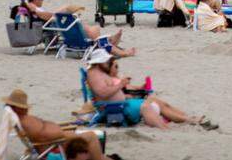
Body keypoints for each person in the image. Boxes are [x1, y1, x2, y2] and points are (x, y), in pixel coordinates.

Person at [84, 49, 216, 129]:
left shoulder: (99, 73)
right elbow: (103, 93)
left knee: (157, 101)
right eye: (106, 61)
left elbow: (107, 90)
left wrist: (123, 86)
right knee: (147, 106)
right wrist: (120, 84)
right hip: (116, 107)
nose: (108, 63)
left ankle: (189, 118)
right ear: (99, 62)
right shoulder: (94, 75)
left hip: (121, 104)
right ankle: (169, 127)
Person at [0, 89, 107, 160]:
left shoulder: (22, 119)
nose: (26, 109)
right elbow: (44, 136)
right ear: (19, 108)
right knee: (92, 137)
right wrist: (62, 134)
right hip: (56, 145)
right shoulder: (26, 122)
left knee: (96, 148)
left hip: (58, 141)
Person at [22, 0, 132, 55]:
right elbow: (45, 16)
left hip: (56, 24)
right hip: (58, 25)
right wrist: (58, 16)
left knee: (69, 9)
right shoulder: (36, 10)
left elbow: (40, 14)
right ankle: (109, 43)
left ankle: (109, 40)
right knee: (91, 30)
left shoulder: (35, 9)